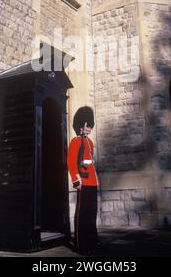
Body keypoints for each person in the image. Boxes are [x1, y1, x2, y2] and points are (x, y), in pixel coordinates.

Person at [67, 106, 101, 255]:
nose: (89, 128)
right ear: (81, 126)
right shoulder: (75, 141)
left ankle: (92, 240)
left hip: (92, 181)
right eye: (87, 125)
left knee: (91, 212)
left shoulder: (90, 142)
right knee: (82, 213)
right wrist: (76, 180)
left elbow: (88, 160)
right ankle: (81, 243)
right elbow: (71, 161)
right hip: (83, 181)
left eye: (90, 126)